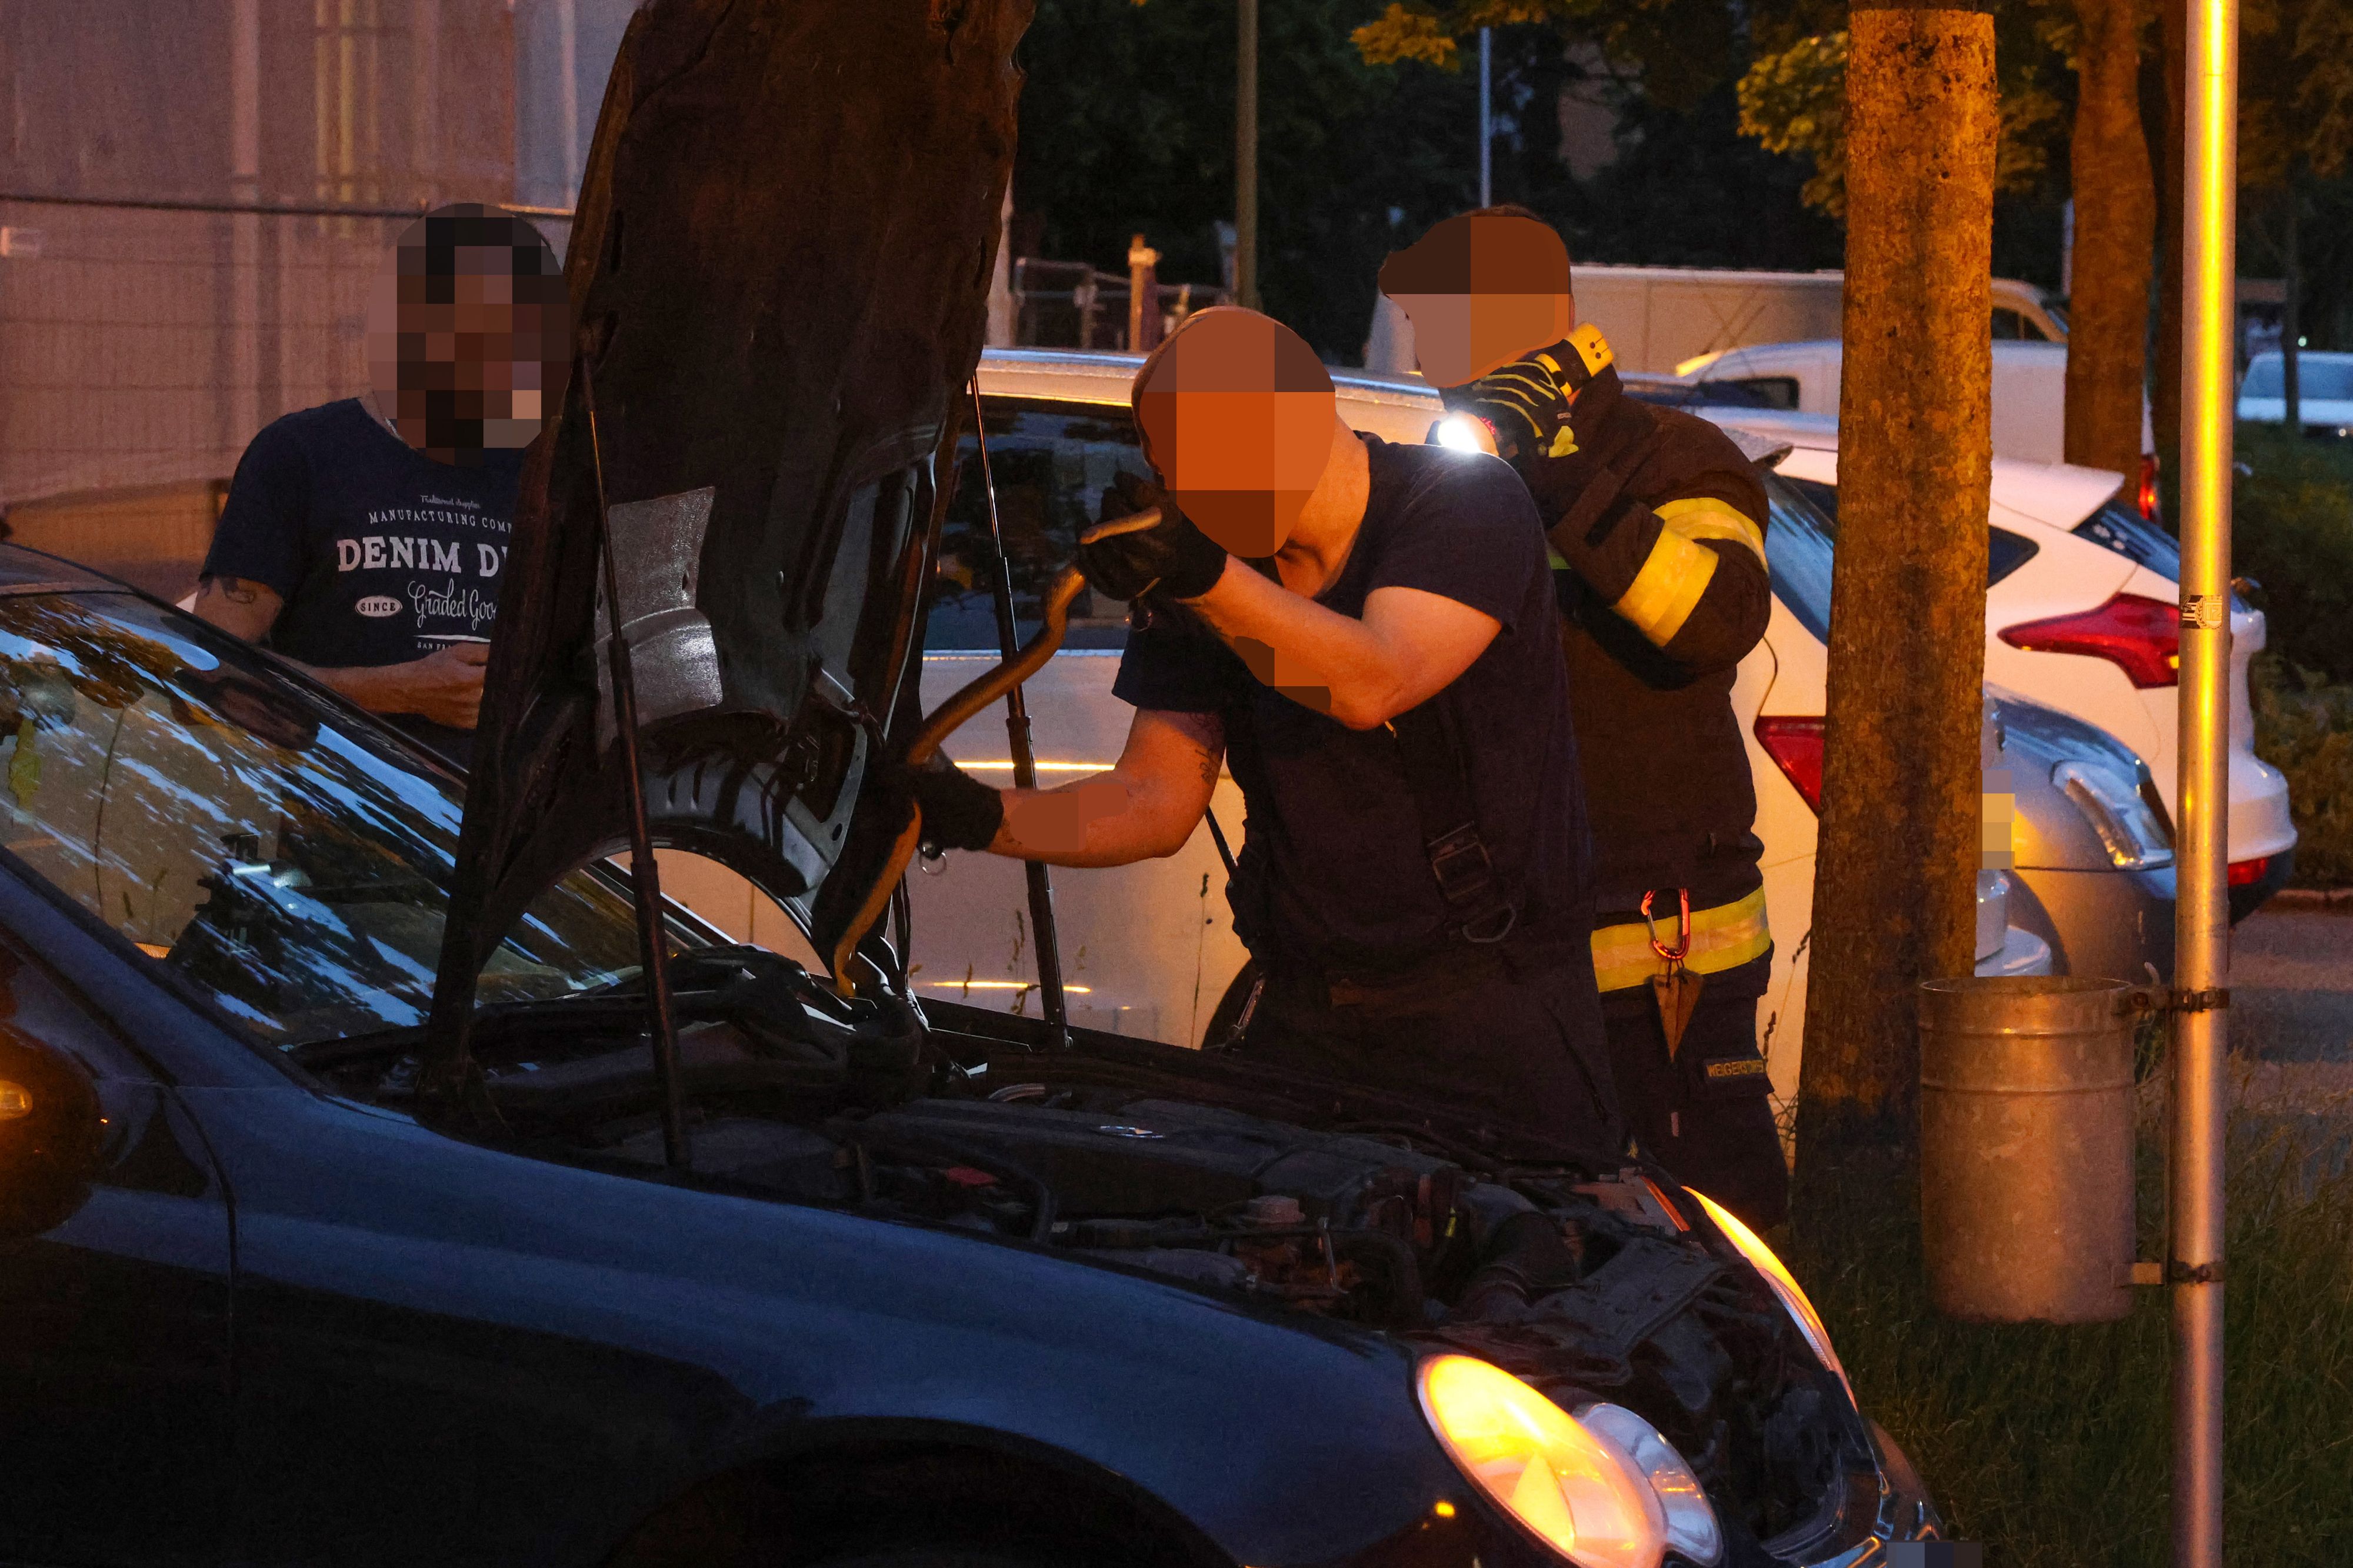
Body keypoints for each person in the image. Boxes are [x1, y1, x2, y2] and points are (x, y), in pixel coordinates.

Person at [896, 306, 1618, 1151]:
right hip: (1307, 1022)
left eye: (1192, 459)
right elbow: (1154, 799)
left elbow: (1372, 680)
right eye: (1165, 467)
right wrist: (976, 816)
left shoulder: (1462, 502)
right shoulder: (1208, 573)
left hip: (1490, 1022)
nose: (1178, 489)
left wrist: (1203, 578)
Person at [1381, 208, 1787, 1226]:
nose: (1421, 355)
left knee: (1711, 1233)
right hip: (1507, 952)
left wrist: (1559, 481)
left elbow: (1715, 620)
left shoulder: (1676, 457)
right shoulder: (1449, 477)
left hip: (1664, 955)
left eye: (1434, 323)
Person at [193, 203, 568, 766]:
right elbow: (211, 663)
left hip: (506, 815)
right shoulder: (302, 454)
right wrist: (396, 690)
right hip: (344, 810)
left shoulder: (546, 474)